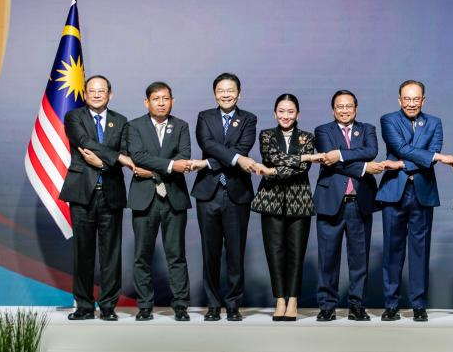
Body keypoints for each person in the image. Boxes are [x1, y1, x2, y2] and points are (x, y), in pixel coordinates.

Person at [377, 80, 453, 322]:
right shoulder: (388, 120)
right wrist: (437, 157)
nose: (412, 103)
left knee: (420, 251)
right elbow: (402, 148)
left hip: (422, 193)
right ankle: (391, 305)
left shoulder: (434, 122)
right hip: (394, 192)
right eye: (407, 99)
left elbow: (428, 155)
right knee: (392, 251)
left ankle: (418, 305)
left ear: (423, 100)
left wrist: (401, 164)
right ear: (399, 100)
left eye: (416, 99)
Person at [60, 75, 143, 321]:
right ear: (85, 94)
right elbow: (83, 142)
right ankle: (84, 306)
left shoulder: (121, 121)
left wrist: (104, 163)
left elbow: (126, 153)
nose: (96, 95)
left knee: (111, 254)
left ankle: (108, 306)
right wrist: (116, 158)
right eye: (92, 91)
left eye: (101, 91)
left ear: (110, 94)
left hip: (111, 194)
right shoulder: (74, 117)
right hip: (82, 194)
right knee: (83, 253)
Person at [313, 90, 386, 322]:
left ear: (356, 108)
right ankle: (327, 306)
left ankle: (357, 306)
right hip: (330, 202)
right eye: (339, 106)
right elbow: (330, 162)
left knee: (359, 259)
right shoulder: (323, 131)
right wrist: (364, 167)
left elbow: (371, 151)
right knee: (327, 258)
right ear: (333, 109)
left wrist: (340, 154)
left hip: (359, 202)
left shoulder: (367, 129)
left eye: (348, 106)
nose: (344, 110)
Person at [126, 81, 196, 322]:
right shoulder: (134, 126)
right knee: (142, 255)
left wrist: (153, 170)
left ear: (172, 101)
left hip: (174, 197)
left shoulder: (181, 126)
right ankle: (145, 306)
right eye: (156, 99)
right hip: (144, 199)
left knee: (176, 255)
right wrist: (169, 166)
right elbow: (138, 156)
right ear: (147, 102)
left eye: (166, 98)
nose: (161, 103)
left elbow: (184, 158)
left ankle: (181, 306)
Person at [192, 72, 259, 322]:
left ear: (239, 94)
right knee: (210, 253)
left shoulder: (248, 119)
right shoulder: (204, 117)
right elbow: (207, 144)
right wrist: (236, 159)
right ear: (214, 94)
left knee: (235, 253)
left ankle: (233, 305)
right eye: (221, 90)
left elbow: (243, 148)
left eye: (230, 90)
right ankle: (212, 304)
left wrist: (208, 163)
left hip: (236, 193)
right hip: (208, 193)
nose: (226, 94)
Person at [253, 94, 324, 321]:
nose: (286, 116)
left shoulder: (307, 137)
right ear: (275, 113)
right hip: (270, 199)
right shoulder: (266, 135)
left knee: (296, 252)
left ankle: (293, 300)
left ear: (298, 114)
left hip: (299, 199)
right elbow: (271, 157)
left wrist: (273, 171)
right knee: (274, 252)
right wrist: (305, 157)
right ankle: (280, 300)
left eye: (290, 111)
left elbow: (302, 169)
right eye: (281, 111)